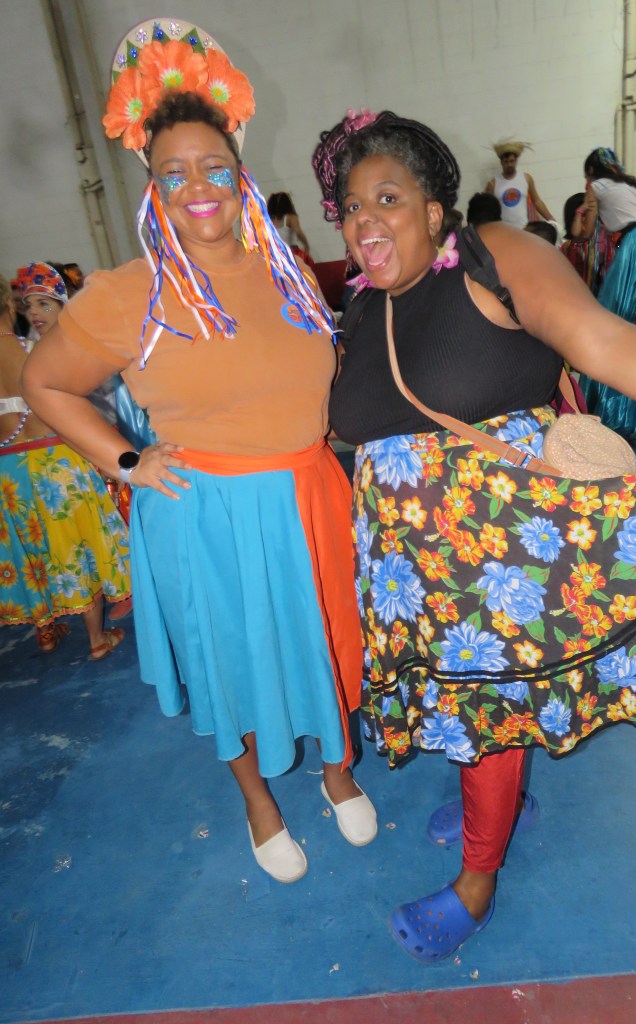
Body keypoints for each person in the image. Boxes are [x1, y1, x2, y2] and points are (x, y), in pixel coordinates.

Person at [312, 108, 636, 963]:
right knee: (467, 701)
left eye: (388, 198)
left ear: (435, 209)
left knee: (490, 700)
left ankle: (476, 883)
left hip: (502, 551)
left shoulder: (492, 255)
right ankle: (496, 801)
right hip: (411, 566)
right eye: (351, 207)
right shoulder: (360, 309)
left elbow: (597, 338)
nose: (366, 220)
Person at [22, 18, 376, 885]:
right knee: (234, 663)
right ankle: (257, 800)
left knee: (333, 642)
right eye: (172, 173)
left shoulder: (287, 270)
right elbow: (45, 384)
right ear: (153, 188)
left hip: (310, 496)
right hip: (206, 513)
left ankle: (337, 772)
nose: (197, 187)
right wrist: (127, 462)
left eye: (213, 167)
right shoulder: (125, 294)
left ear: (240, 173)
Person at [0, 265, 130, 658]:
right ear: (10, 305)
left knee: (30, 547)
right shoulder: (35, 353)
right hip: (54, 460)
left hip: (8, 469)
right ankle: (96, 639)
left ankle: (45, 630)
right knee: (75, 548)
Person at [569, 148, 636, 436]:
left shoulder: (596, 187)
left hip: (634, 243)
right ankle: (627, 411)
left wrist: (580, 213)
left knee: (613, 317)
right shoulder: (626, 185)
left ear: (591, 172)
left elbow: (583, 233)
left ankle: (605, 408)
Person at [485, 138, 554, 228]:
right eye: (506, 162)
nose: (509, 165)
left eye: (512, 161)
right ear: (501, 163)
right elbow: (487, 209)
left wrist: (551, 219)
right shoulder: (493, 184)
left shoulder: (526, 178)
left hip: (523, 229)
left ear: (516, 161)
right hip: (503, 230)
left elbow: (537, 201)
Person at [560, 191, 616, 296]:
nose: (587, 220)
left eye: (589, 215)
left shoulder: (603, 241)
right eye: (582, 215)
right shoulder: (566, 249)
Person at [266, 191, 313, 263]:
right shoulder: (290, 217)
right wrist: (306, 245)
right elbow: (298, 232)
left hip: (273, 253)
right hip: (289, 252)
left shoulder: (267, 219)